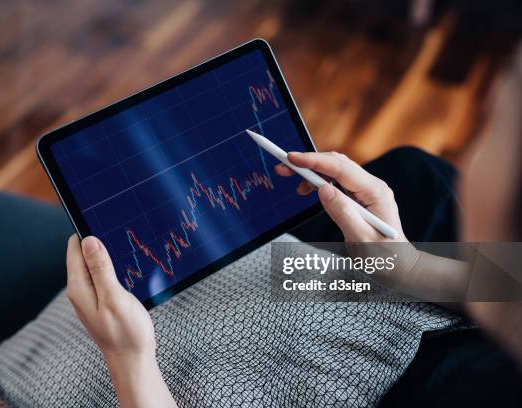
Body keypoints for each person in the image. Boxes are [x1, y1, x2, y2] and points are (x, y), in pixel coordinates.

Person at [64, 45, 522, 406]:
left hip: (394, 359)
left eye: (491, 124)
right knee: (415, 173)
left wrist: (129, 362)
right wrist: (408, 268)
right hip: (415, 307)